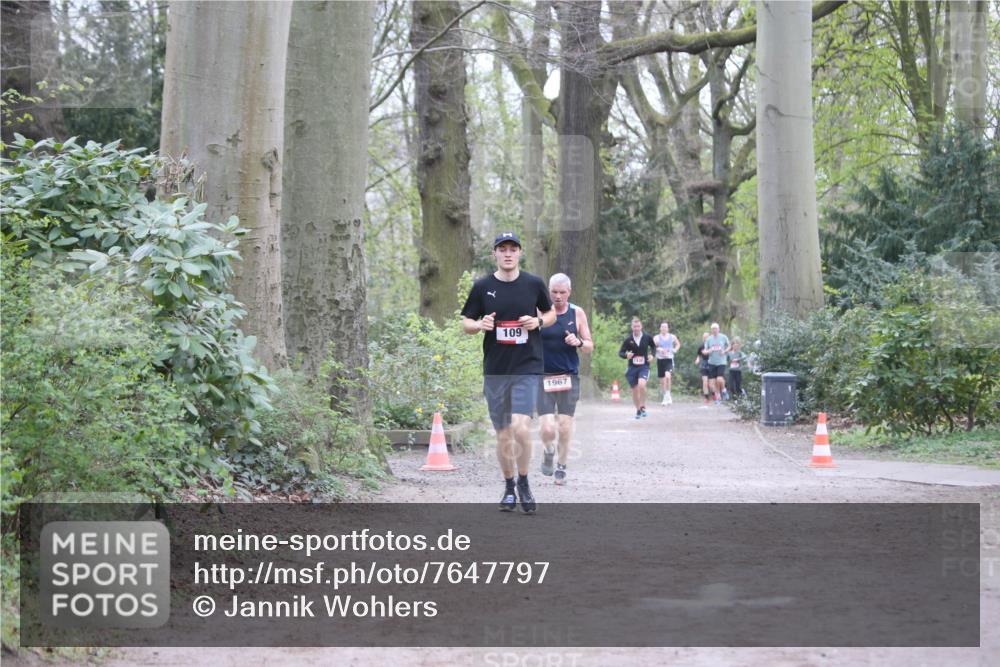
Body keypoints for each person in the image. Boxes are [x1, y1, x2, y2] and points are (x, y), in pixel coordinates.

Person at [461, 232, 555, 514]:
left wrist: (537, 322)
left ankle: (524, 482)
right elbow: (466, 322)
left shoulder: (533, 284)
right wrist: (480, 326)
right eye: (502, 249)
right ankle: (509, 486)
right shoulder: (482, 287)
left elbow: (551, 314)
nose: (508, 254)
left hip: (528, 367)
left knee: (520, 428)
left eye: (513, 249)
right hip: (496, 371)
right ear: (495, 254)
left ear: (520, 253)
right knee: (503, 435)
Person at [537, 273, 593, 485]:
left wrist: (579, 342)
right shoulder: (540, 312)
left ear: (569, 292)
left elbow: (589, 346)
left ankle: (561, 465)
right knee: (547, 428)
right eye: (554, 292)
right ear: (548, 292)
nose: (558, 296)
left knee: (564, 426)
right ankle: (548, 450)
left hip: (568, 377)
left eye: (562, 292)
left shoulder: (577, 312)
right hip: (543, 377)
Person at [618, 317, 656, 419]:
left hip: (644, 366)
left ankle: (643, 406)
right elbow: (620, 352)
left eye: (638, 326)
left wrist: (652, 355)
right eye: (634, 326)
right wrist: (626, 355)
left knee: (642, 385)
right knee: (635, 390)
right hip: (632, 368)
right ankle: (638, 410)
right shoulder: (628, 340)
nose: (636, 328)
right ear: (632, 327)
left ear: (641, 327)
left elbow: (653, 347)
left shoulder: (647, 337)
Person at [653, 322, 681, 406]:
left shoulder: (672, 337)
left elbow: (678, 344)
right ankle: (666, 396)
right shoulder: (656, 338)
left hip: (669, 359)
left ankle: (668, 395)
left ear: (668, 328)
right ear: (660, 328)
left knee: (667, 376)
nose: (664, 328)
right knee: (662, 381)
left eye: (665, 327)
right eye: (662, 327)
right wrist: (659, 349)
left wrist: (675, 349)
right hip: (660, 360)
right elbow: (653, 347)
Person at [705, 322, 731, 405]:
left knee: (719, 379)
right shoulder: (709, 339)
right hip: (712, 362)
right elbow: (705, 351)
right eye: (713, 329)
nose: (714, 330)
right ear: (711, 330)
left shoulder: (723, 337)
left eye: (716, 328)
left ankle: (724, 390)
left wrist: (724, 351)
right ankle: (718, 398)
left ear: (718, 329)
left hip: (721, 361)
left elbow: (729, 346)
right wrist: (709, 350)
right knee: (712, 383)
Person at [694, 332, 711, 405]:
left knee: (711, 382)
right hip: (704, 364)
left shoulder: (712, 345)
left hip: (712, 364)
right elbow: (698, 355)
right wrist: (697, 359)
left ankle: (715, 395)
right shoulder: (701, 346)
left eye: (706, 337)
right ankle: (706, 397)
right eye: (704, 337)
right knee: (705, 381)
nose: (705, 338)